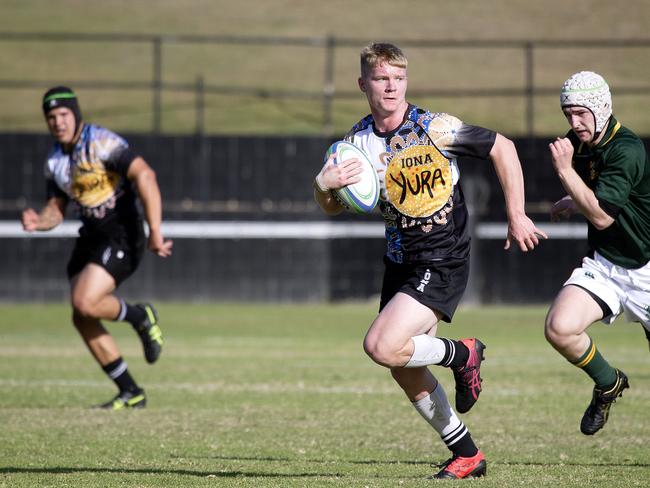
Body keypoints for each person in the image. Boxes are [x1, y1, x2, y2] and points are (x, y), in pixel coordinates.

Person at [313, 43, 546, 479]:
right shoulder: (356, 144)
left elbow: (504, 148)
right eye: (381, 79)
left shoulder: (434, 128)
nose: (391, 87)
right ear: (363, 84)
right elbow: (335, 205)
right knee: (404, 367)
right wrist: (322, 186)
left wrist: (517, 214)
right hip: (401, 261)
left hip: (442, 256)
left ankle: (463, 354)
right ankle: (467, 454)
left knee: (380, 346)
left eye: (398, 78)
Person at [22, 86, 173, 410]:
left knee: (85, 302)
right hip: (90, 237)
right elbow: (55, 210)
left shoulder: (103, 143)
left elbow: (146, 175)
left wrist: (155, 230)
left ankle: (140, 317)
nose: (58, 122)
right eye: (51, 117)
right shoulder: (55, 161)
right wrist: (39, 220)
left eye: (63, 115)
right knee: (81, 316)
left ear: (75, 114)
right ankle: (131, 391)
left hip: (122, 234)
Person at [545, 71, 650, 435]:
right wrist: (572, 200)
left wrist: (564, 174)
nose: (574, 123)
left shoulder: (627, 149)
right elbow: (597, 193)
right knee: (560, 328)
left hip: (645, 268)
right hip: (605, 265)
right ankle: (608, 383)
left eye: (581, 114)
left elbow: (603, 216)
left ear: (602, 108)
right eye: (568, 114)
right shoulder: (582, 141)